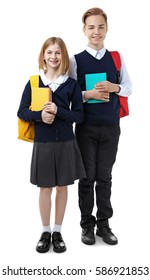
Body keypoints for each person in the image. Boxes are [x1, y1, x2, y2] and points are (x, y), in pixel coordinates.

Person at [69, 7, 132, 246]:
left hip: (110, 127)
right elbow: (70, 95)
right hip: (85, 128)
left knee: (105, 177)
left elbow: (127, 87)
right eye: (91, 27)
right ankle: (87, 225)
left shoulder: (116, 57)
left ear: (107, 29)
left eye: (101, 27)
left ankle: (104, 225)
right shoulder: (75, 60)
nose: (96, 32)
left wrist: (113, 87)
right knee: (86, 178)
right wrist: (89, 94)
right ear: (84, 30)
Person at [17, 37, 85, 253]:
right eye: (50, 52)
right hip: (43, 143)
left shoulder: (72, 84)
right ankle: (45, 231)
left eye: (58, 53)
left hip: (65, 142)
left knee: (62, 187)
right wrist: (39, 116)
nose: (54, 57)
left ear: (63, 56)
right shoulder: (34, 82)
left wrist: (59, 111)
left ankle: (58, 231)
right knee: (45, 188)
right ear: (43, 56)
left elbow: (79, 116)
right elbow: (22, 112)